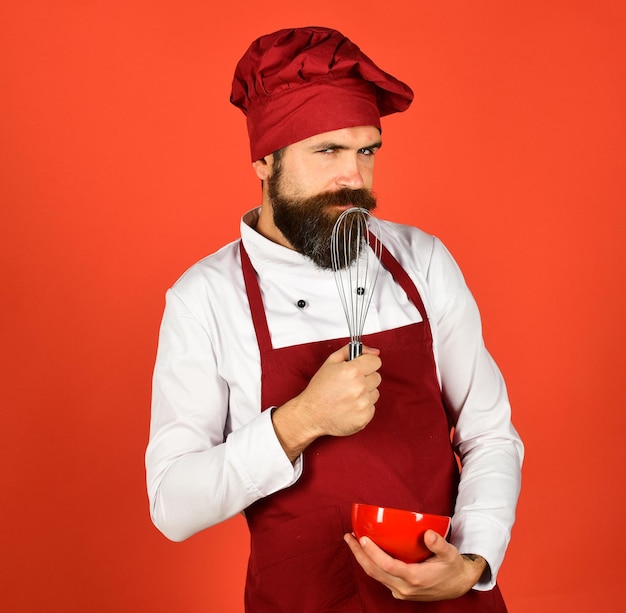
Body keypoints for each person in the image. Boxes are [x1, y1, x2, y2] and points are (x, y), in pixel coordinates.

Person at [146, 26, 523, 612]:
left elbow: (489, 433)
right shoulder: (205, 299)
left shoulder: (422, 261)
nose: (354, 178)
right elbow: (172, 505)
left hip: (448, 600)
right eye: (327, 151)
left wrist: (473, 562)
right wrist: (299, 421)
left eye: (366, 151)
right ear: (264, 161)